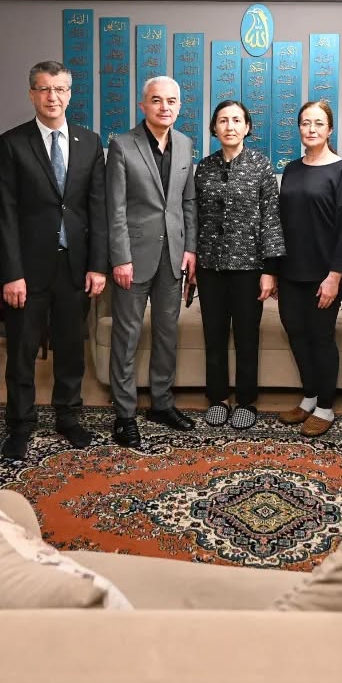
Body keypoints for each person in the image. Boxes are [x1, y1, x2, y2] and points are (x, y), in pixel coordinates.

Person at [0, 61, 109, 460]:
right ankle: (20, 424)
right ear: (32, 94)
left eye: (60, 89)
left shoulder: (89, 142)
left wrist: (98, 265)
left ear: (70, 94)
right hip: (27, 270)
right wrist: (11, 272)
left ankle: (68, 417)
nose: (52, 97)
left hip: (74, 265)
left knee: (70, 348)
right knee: (21, 351)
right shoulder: (12, 143)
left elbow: (98, 207)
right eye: (44, 89)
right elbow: (6, 212)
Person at [107, 76, 199, 447]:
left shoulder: (186, 144)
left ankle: (161, 403)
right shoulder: (121, 145)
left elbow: (187, 202)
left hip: (173, 256)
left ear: (179, 106)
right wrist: (120, 257)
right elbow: (115, 208)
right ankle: (125, 414)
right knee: (127, 335)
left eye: (171, 101)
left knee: (166, 333)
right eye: (157, 100)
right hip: (133, 257)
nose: (165, 107)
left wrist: (190, 249)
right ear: (143, 105)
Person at [194, 100, 285, 428]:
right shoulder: (204, 167)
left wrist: (270, 270)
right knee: (214, 335)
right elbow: (196, 217)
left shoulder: (261, 166)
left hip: (249, 268)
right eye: (223, 120)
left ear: (247, 127)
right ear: (214, 128)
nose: (229, 126)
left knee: (247, 336)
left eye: (236, 120)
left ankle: (246, 400)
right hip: (210, 266)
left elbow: (271, 219)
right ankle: (218, 397)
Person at [277, 101, 342, 437]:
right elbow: (282, 222)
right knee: (295, 332)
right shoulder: (292, 168)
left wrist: (335, 277)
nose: (311, 129)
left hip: (325, 274)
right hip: (290, 270)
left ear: (329, 130)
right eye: (305, 123)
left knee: (320, 337)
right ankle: (309, 397)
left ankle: (326, 407)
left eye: (318, 123)